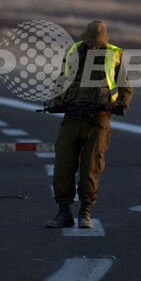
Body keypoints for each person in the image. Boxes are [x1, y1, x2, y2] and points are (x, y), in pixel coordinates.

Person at [45, 20, 133, 229]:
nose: (94, 47)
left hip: (98, 119)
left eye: (97, 43)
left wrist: (119, 105)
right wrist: (58, 97)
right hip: (72, 117)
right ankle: (64, 213)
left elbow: (125, 87)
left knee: (91, 167)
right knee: (63, 165)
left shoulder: (115, 54)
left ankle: (85, 212)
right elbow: (61, 79)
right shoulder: (73, 51)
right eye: (91, 43)